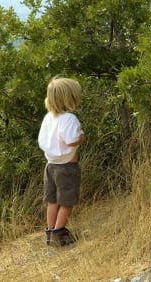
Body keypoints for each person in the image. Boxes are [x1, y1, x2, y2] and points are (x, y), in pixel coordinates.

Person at [38, 76, 85, 246]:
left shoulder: (48, 118)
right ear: (70, 98)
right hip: (67, 167)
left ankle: (50, 232)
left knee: (52, 201)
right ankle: (60, 232)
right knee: (67, 201)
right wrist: (81, 138)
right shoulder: (69, 119)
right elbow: (71, 140)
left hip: (50, 166)